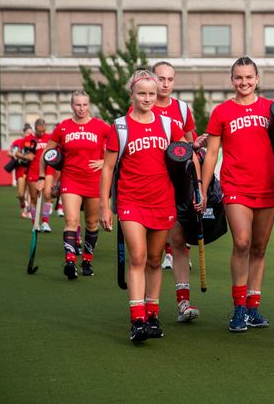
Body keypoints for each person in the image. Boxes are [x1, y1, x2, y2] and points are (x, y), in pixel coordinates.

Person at [99, 69, 203, 343]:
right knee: (138, 257)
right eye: (141, 93)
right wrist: (104, 206)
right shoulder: (120, 126)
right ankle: (137, 320)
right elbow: (108, 169)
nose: (147, 98)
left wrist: (197, 188)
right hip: (131, 200)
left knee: (156, 260)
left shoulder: (169, 125)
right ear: (132, 95)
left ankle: (153, 315)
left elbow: (187, 155)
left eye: (151, 94)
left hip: (162, 201)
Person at [200, 57, 274, 332]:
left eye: (249, 77)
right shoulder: (222, 111)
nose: (244, 82)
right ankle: (238, 307)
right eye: (238, 77)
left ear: (257, 78)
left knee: (259, 248)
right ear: (232, 80)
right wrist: (203, 186)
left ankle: (253, 307)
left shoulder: (271, 109)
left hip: (267, 186)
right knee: (242, 242)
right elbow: (211, 153)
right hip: (235, 186)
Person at [38, 91, 111, 279]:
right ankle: (70, 261)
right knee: (71, 221)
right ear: (72, 106)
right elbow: (47, 152)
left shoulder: (101, 126)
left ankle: (86, 260)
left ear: (89, 106)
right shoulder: (63, 127)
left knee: (92, 223)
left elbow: (118, 146)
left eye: (85, 105)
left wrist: (106, 163)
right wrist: (41, 177)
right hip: (71, 180)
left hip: (95, 180)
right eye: (78, 105)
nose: (81, 108)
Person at [150, 61, 200, 322]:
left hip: (178, 185)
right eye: (161, 78)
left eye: (170, 79)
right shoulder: (141, 107)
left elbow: (190, 144)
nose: (165, 84)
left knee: (179, 243)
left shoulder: (181, 109)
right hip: (149, 188)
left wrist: (198, 145)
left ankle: (183, 303)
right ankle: (147, 309)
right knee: (151, 253)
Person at [26, 119, 55, 232]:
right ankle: (35, 224)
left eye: (43, 131)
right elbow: (27, 155)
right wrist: (26, 155)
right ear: (35, 128)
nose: (42, 134)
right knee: (33, 197)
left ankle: (45, 222)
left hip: (48, 170)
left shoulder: (51, 138)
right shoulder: (29, 140)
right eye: (39, 131)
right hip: (33, 171)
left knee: (47, 195)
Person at [9, 124, 34, 218]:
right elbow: (9, 153)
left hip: (31, 168)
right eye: (28, 133)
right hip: (20, 168)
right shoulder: (18, 142)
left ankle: (28, 210)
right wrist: (15, 155)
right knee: (20, 193)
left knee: (30, 191)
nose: (30, 134)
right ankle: (23, 205)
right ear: (24, 133)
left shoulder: (33, 142)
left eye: (31, 133)